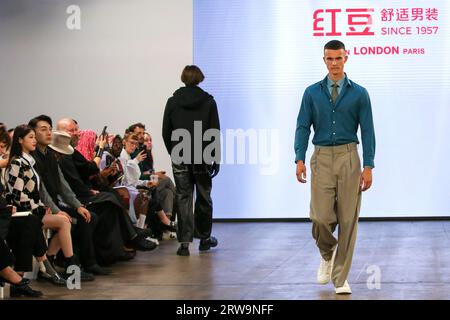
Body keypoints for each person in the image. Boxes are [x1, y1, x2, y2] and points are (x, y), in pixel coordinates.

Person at [294, 40, 376, 294]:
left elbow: (368, 130)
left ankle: (340, 278)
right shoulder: (312, 92)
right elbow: (302, 126)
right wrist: (299, 158)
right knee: (320, 217)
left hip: (349, 157)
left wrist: (369, 165)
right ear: (324, 61)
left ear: (346, 58)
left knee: (348, 219)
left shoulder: (359, 93)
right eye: (329, 59)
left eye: (338, 58)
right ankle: (327, 254)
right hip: (321, 158)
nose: (334, 64)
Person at [162, 65, 221, 256]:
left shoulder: (173, 102)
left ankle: (185, 243)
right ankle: (204, 238)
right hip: (202, 155)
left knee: (183, 196)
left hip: (180, 153)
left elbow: (166, 131)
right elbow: (214, 131)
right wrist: (215, 158)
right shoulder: (209, 102)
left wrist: (174, 151)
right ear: (200, 79)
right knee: (204, 196)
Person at [4, 125, 67, 285]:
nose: (34, 140)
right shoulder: (17, 162)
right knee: (31, 224)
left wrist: (38, 206)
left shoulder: (29, 162)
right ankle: (44, 268)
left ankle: (24, 274)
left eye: (34, 137)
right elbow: (18, 195)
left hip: (28, 212)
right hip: (17, 212)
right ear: (19, 140)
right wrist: (37, 207)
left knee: (32, 224)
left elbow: (34, 192)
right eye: (30, 137)